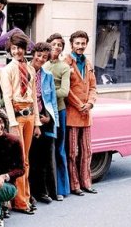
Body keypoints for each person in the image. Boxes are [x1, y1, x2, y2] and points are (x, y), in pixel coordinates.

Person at [0, 32, 41, 215]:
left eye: (20, 48)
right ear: (10, 50)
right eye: (13, 48)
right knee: (19, 159)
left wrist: (37, 122)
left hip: (30, 116)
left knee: (26, 159)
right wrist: (12, 122)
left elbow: (33, 97)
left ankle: (25, 196)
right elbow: (7, 98)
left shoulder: (31, 69)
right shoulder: (7, 70)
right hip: (16, 116)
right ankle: (21, 202)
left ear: (25, 49)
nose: (17, 51)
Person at [64, 30, 98, 196]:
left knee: (87, 150)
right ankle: (74, 185)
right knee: (72, 152)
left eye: (83, 43)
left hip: (86, 115)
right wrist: (79, 105)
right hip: (72, 114)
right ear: (72, 44)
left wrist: (90, 103)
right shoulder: (66, 62)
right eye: (77, 43)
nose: (80, 46)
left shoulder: (88, 63)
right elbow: (66, 90)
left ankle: (86, 182)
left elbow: (93, 87)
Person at [28, 42, 59, 204]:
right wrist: (34, 120)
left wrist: (50, 118)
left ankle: (42, 192)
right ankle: (29, 193)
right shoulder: (25, 71)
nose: (40, 59)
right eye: (38, 55)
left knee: (42, 159)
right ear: (33, 54)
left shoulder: (47, 75)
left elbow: (52, 100)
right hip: (29, 119)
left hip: (44, 119)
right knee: (30, 157)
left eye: (44, 57)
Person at [43, 33, 71, 199]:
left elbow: (64, 91)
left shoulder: (64, 67)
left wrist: (47, 94)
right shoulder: (43, 65)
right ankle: (47, 189)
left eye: (60, 45)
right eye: (53, 44)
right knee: (46, 151)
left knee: (60, 150)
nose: (56, 47)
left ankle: (61, 188)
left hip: (58, 111)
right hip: (43, 112)